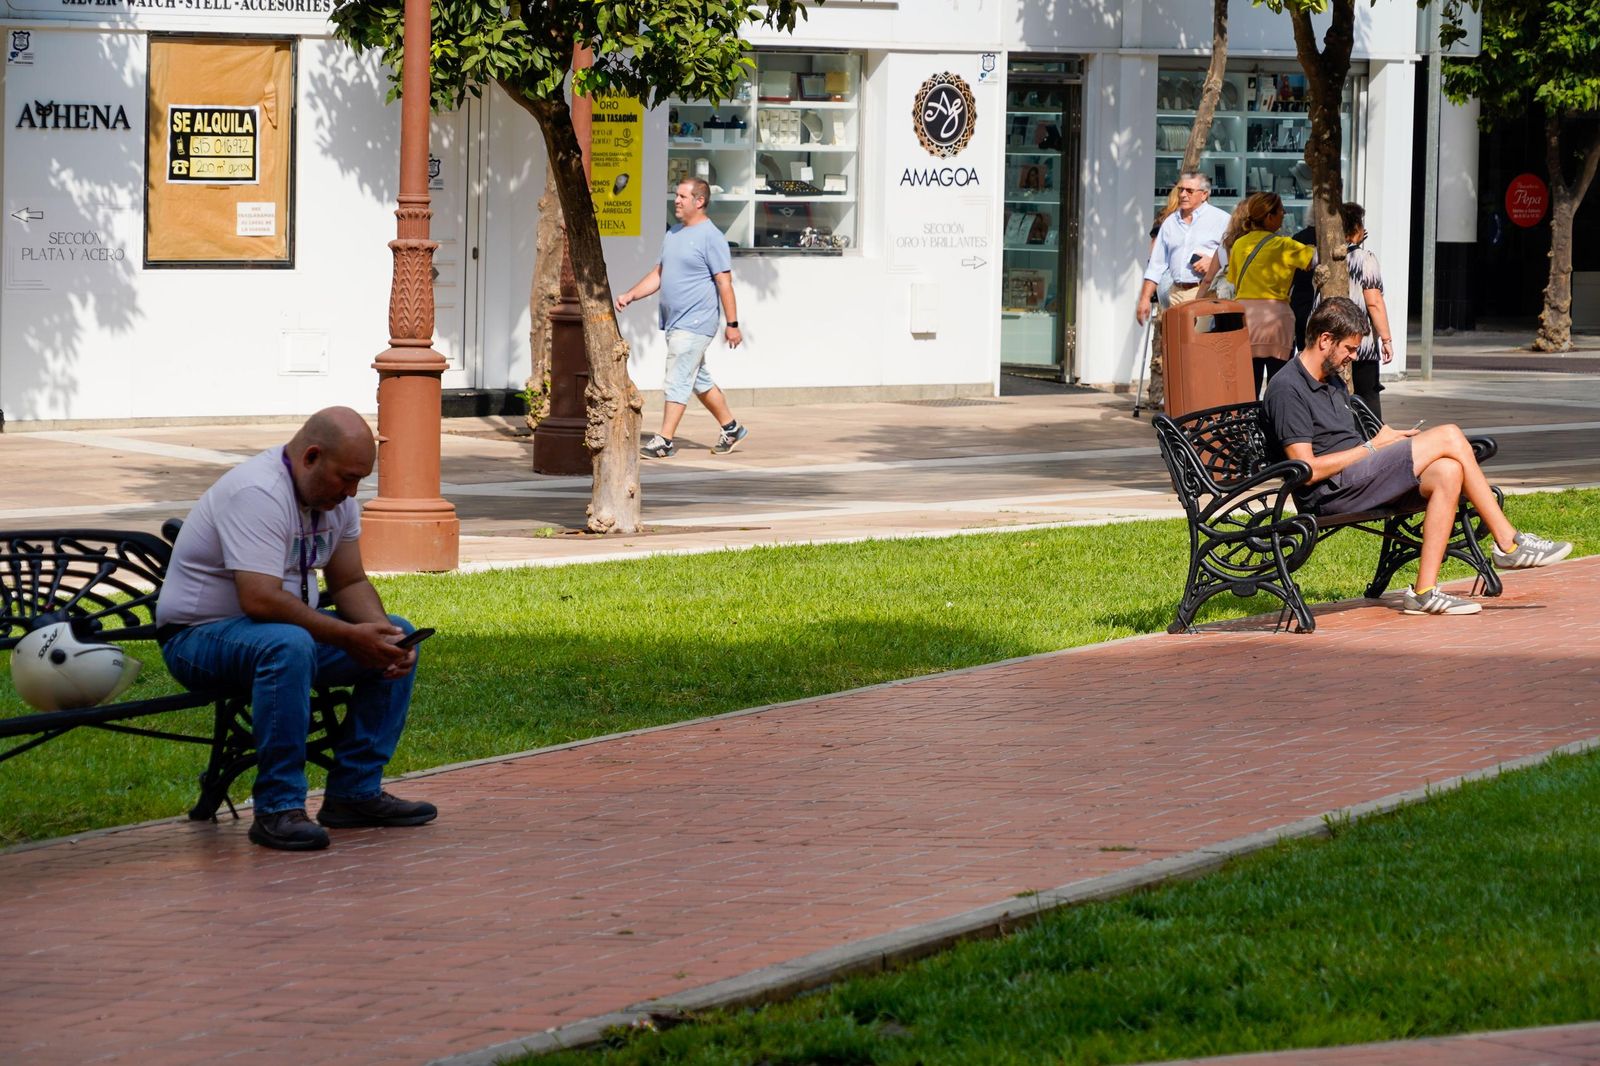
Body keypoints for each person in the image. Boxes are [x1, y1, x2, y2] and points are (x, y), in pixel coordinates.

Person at [155, 407, 434, 851]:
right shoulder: (258, 492)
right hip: (197, 637)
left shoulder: (335, 503)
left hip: (283, 638)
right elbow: (259, 598)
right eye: (345, 478)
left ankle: (354, 793)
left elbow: (350, 581)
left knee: (395, 632)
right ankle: (277, 809)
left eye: (360, 480)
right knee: (287, 645)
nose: (351, 492)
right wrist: (347, 636)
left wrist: (382, 637)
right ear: (310, 456)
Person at [1264, 297, 1572, 617]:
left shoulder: (1332, 381)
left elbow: (1350, 443)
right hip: (1330, 492)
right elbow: (1307, 470)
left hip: (1359, 477)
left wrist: (1385, 442)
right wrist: (1373, 447)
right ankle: (1508, 543)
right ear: (1325, 339)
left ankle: (1424, 592)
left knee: (1448, 470)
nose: (1352, 358)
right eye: (1349, 349)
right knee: (1449, 434)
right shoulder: (1288, 388)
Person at [616, 178, 748, 458]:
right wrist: (631, 295)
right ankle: (731, 427)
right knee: (697, 378)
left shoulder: (712, 237)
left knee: (677, 377)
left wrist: (732, 325)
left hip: (697, 321)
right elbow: (659, 275)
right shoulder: (673, 233)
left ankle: (664, 440)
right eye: (676, 195)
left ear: (699, 201)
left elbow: (724, 283)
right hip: (675, 322)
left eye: (682, 196)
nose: (676, 200)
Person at [1136, 171, 1230, 408]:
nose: (1184, 195)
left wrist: (1213, 260)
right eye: (1181, 190)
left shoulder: (1220, 219)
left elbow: (1233, 253)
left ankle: (1201, 399)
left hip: (1204, 291)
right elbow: (1156, 264)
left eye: (1190, 190)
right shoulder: (1170, 223)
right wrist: (1145, 298)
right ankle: (1178, 398)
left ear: (1204, 194)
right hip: (1176, 291)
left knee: (1198, 348)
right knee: (1175, 348)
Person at [1209, 192, 1313, 395]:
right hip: (1276, 317)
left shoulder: (1239, 245)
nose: (1284, 214)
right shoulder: (1284, 245)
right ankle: (1274, 424)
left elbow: (1233, 280)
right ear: (1269, 216)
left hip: (1246, 318)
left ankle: (1249, 423)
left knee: (1249, 383)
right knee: (1279, 382)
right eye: (1281, 211)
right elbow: (1313, 259)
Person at [1332, 201, 1394, 419]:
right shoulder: (1365, 259)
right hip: (1360, 343)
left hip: (1329, 339)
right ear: (1356, 228)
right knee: (1367, 397)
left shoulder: (1324, 256)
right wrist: (1386, 339)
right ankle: (1373, 440)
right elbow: (1374, 301)